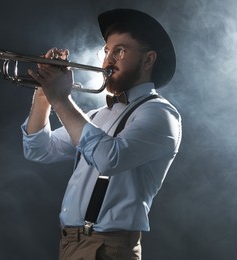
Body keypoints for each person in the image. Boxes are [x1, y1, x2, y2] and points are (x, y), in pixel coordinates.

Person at [21, 8, 182, 260]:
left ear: (148, 60)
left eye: (120, 51)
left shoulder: (159, 114)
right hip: (71, 244)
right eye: (106, 51)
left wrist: (61, 99)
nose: (108, 60)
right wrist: (44, 96)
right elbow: (38, 150)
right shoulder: (98, 116)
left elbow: (109, 159)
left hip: (108, 249)